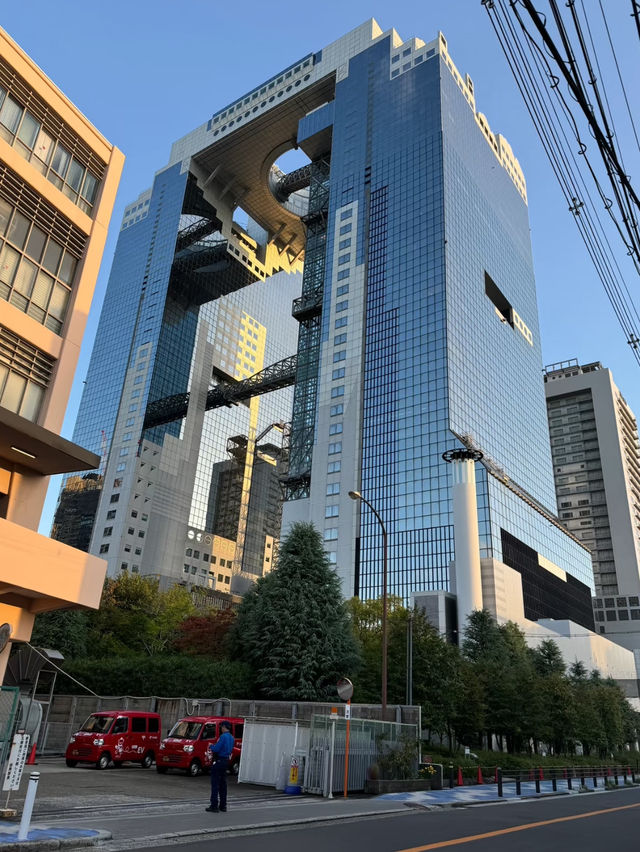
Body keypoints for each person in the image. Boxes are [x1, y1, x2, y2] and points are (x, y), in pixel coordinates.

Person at [206, 721, 235, 813]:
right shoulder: (231, 738)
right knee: (223, 784)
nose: (221, 728)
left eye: (221, 727)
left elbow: (217, 749)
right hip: (226, 761)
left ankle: (214, 805)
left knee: (215, 784)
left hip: (219, 761)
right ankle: (223, 805)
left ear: (224, 727)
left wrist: (211, 746)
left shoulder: (223, 737)